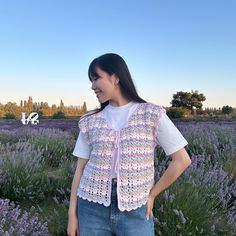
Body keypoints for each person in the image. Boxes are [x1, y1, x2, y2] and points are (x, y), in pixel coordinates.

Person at [67, 53, 191, 236]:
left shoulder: (151, 114)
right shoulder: (90, 121)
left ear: (115, 77)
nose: (92, 86)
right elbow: (79, 169)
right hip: (91, 207)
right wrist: (72, 216)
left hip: (136, 209)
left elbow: (181, 160)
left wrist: (152, 194)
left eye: (96, 78)